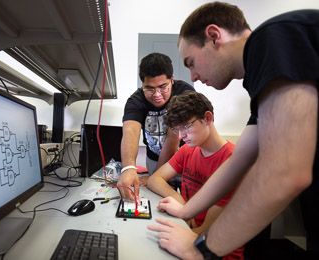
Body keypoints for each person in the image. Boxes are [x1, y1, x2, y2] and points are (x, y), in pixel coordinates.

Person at [147, 2, 319, 260]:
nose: (192, 77)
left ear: (214, 36)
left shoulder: (273, 37)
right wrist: (186, 211)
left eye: (191, 62)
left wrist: (201, 249)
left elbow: (286, 172)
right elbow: (239, 160)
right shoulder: (260, 83)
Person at [147, 91, 243, 260]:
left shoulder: (231, 161)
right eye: (178, 129)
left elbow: (205, 231)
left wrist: (184, 213)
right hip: (188, 229)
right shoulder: (188, 150)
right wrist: (184, 206)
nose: (182, 136)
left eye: (187, 126)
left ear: (207, 118)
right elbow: (155, 179)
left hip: (215, 249)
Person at [117, 53, 195, 200]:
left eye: (162, 87)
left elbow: (173, 137)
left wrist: (155, 178)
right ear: (142, 84)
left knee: (188, 201)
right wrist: (128, 168)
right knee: (157, 200)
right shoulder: (135, 100)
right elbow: (130, 131)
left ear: (172, 80)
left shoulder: (184, 94)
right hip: (154, 158)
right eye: (150, 88)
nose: (157, 94)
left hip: (185, 158)